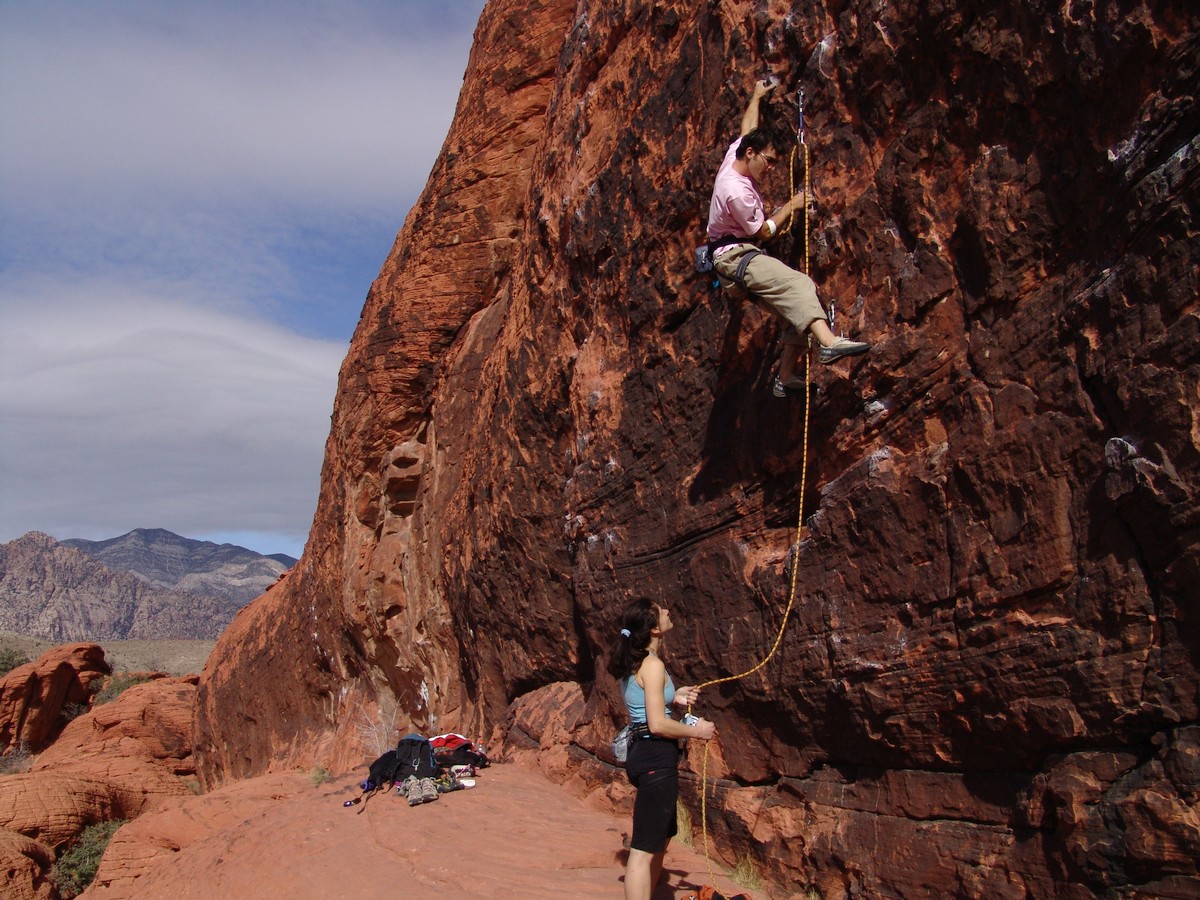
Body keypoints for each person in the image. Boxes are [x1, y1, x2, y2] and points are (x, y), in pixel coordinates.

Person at [707, 79, 870, 396]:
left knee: (791, 314)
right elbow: (762, 232)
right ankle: (829, 344)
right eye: (768, 161)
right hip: (735, 257)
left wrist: (755, 96)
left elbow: (748, 127)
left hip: (731, 259)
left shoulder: (735, 157)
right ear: (751, 154)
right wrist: (792, 206)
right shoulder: (735, 191)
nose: (769, 168)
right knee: (800, 285)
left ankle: (784, 379)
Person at [608, 598, 717, 900]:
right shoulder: (652, 665)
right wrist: (697, 732)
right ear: (654, 628)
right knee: (643, 850)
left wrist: (674, 696)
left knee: (661, 839)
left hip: (647, 754)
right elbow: (657, 724)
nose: (669, 611)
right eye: (662, 611)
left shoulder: (637, 663)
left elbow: (646, 703)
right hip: (655, 753)